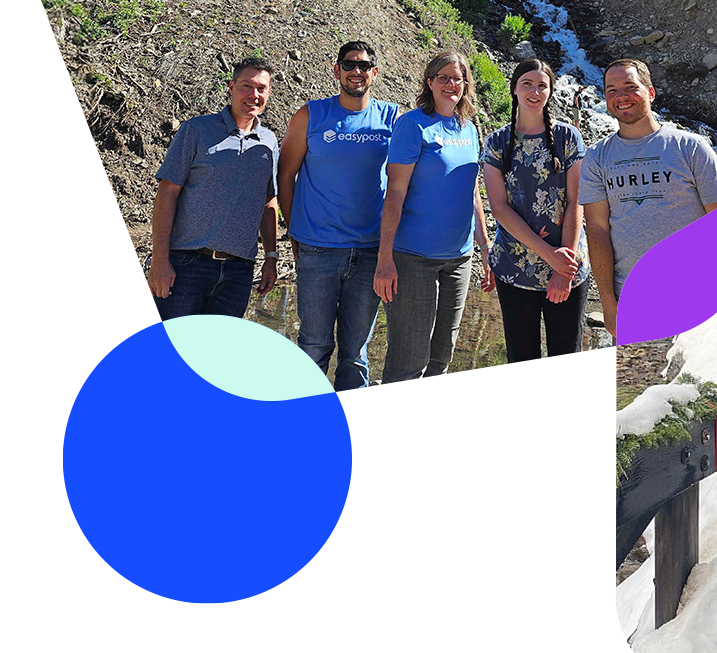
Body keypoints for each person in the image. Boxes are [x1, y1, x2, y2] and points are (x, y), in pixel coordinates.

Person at [578, 58, 717, 341]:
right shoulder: (596, 157)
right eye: (612, 90)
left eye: (630, 86)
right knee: (639, 372)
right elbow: (597, 230)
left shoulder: (689, 147)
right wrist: (608, 304)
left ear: (650, 93)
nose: (621, 96)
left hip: (695, 299)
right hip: (632, 301)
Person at [277, 41, 400, 400]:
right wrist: (294, 228)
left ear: (374, 73)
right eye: (349, 65)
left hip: (370, 251)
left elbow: (406, 180)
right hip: (318, 249)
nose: (356, 72)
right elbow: (285, 176)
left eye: (364, 66)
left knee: (356, 352)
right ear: (336, 70)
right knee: (313, 345)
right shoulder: (310, 115)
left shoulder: (392, 118)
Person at [374, 51, 493, 401]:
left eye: (457, 78)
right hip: (413, 258)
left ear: (466, 84)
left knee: (442, 356)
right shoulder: (412, 125)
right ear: (430, 82)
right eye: (443, 77)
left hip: (459, 259)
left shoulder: (469, 128)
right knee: (409, 359)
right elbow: (395, 193)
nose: (451, 84)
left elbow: (473, 192)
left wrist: (485, 248)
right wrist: (384, 258)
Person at [482, 58, 589, 401]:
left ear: (550, 91)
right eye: (527, 83)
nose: (534, 91)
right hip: (515, 271)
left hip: (568, 269)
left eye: (542, 85)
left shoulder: (568, 138)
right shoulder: (497, 143)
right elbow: (499, 208)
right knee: (522, 376)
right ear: (514, 89)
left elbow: (577, 201)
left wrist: (563, 269)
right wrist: (549, 256)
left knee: (567, 375)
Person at [145, 57, 279, 323]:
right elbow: (167, 193)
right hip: (187, 265)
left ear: (268, 93)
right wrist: (159, 261)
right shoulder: (196, 130)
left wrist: (271, 257)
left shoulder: (269, 142)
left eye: (261, 88)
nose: (254, 95)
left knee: (217, 349)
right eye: (246, 86)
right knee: (169, 345)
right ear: (231, 87)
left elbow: (268, 202)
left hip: (239, 271)